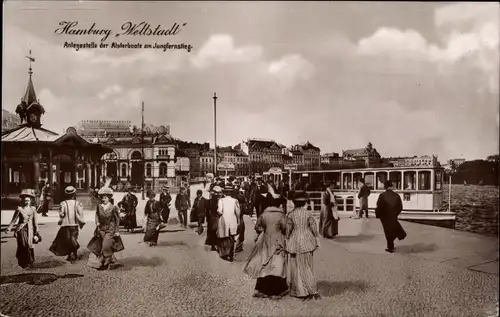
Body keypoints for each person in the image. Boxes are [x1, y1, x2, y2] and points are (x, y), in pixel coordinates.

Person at [243, 193, 288, 298]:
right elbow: (286, 228)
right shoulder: (281, 215)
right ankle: (276, 291)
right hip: (278, 241)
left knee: (264, 263)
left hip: (265, 240)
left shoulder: (264, 214)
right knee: (277, 264)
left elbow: (258, 227)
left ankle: (261, 288)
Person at [285, 190, 321, 300]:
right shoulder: (308, 214)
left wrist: (286, 238)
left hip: (294, 241)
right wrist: (316, 238)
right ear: (305, 203)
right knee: (307, 266)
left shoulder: (290, 214)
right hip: (307, 241)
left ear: (294, 203)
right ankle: (311, 289)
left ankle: (299, 291)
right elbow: (314, 228)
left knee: (296, 267)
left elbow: (288, 230)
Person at [87, 186, 123, 270]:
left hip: (110, 229)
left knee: (105, 245)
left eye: (105, 198)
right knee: (102, 246)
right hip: (101, 229)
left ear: (109, 198)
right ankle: (110, 261)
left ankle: (105, 260)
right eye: (102, 198)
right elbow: (97, 214)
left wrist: (117, 230)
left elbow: (117, 219)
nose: (103, 199)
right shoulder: (99, 206)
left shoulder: (113, 207)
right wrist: (97, 221)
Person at [5, 189, 40, 269]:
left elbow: (35, 222)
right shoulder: (19, 209)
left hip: (30, 230)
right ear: (23, 201)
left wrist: (37, 232)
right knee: (24, 245)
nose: (26, 202)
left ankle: (29, 261)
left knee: (30, 245)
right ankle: (24, 262)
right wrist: (9, 228)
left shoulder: (33, 209)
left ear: (30, 201)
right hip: (21, 230)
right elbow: (13, 220)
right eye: (25, 200)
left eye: (28, 200)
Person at [49, 186, 85, 263]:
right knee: (73, 239)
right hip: (74, 225)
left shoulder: (63, 203)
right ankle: (73, 252)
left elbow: (61, 214)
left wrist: (61, 214)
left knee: (68, 240)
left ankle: (71, 253)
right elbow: (81, 214)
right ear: (74, 194)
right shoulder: (77, 203)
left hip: (65, 225)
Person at [375, 180, 407, 253]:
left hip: (384, 216)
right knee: (392, 228)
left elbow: (379, 206)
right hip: (393, 215)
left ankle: (390, 247)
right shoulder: (396, 195)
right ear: (391, 186)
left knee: (387, 231)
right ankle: (392, 243)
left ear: (385, 187)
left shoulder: (382, 195)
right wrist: (395, 214)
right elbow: (400, 207)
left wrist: (378, 214)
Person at [217, 186, 241, 262]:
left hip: (224, 220)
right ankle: (231, 253)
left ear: (225, 192)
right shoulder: (235, 201)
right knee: (232, 237)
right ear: (231, 193)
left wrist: (218, 212)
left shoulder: (221, 200)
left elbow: (220, 211)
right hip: (232, 220)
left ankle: (225, 252)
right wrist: (238, 220)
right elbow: (238, 212)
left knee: (224, 237)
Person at [205, 186, 221, 251]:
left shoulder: (209, 201)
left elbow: (207, 211)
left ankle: (213, 245)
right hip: (217, 217)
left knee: (212, 232)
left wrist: (208, 218)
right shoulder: (219, 201)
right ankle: (216, 244)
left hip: (212, 218)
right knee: (217, 231)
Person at [235, 187, 247, 253]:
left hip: (236, 217)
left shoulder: (235, 200)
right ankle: (239, 245)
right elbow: (245, 210)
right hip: (241, 218)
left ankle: (237, 245)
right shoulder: (242, 198)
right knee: (241, 230)